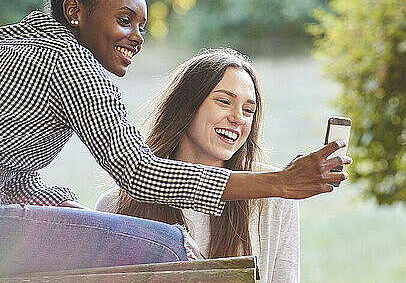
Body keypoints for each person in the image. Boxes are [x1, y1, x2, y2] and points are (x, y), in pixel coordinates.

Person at [0, 0, 350, 276]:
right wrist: (282, 182)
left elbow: (14, 181)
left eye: (141, 26)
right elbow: (138, 171)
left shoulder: (16, 42)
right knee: (170, 245)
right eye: (124, 19)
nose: (137, 37)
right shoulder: (68, 61)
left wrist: (74, 210)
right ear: (75, 11)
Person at [96, 48, 300, 283]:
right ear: (186, 105)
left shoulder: (273, 192)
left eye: (248, 111)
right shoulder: (115, 205)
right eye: (224, 101)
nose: (238, 118)